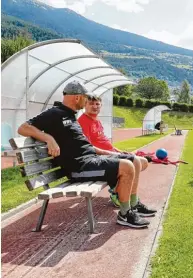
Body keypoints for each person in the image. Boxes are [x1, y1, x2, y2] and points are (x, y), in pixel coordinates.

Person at [17, 80, 156, 229]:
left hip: (90, 160)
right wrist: (48, 138)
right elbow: (23, 128)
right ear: (77, 97)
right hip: (78, 168)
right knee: (127, 166)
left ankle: (133, 205)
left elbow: (86, 146)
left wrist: (114, 153)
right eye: (85, 98)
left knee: (134, 160)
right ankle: (125, 214)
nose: (86, 101)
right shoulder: (54, 113)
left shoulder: (71, 116)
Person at [78, 94, 154, 213]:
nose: (94, 106)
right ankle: (124, 197)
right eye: (91, 103)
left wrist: (119, 151)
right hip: (101, 157)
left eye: (97, 104)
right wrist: (113, 154)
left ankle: (119, 191)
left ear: (101, 106)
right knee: (136, 161)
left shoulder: (97, 121)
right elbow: (88, 147)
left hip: (110, 153)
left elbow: (106, 143)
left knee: (143, 162)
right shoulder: (82, 121)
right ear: (85, 105)